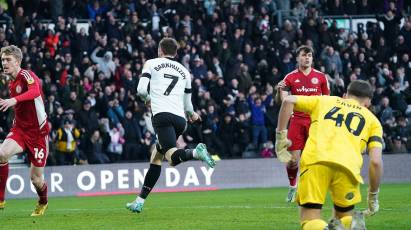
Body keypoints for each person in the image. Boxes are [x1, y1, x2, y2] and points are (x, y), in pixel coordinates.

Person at [275, 80, 383, 229]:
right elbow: (376, 162)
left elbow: (288, 100)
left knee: (310, 220)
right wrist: (373, 196)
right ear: (368, 103)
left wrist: (281, 137)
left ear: (345, 95)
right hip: (349, 168)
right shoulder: (373, 121)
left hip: (316, 161)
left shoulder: (325, 100)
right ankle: (351, 223)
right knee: (344, 217)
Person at [126, 38, 216, 213]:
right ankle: (139, 201)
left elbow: (141, 90)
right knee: (157, 157)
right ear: (175, 53)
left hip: (162, 117)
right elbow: (189, 107)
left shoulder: (151, 63)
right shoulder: (185, 71)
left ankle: (197, 152)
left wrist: (148, 100)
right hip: (181, 121)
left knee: (172, 157)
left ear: (160, 49)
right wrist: (193, 115)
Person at [275, 45, 330, 202]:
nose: (307, 58)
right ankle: (293, 187)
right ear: (297, 58)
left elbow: (327, 100)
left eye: (309, 55)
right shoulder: (290, 77)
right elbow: (283, 102)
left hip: (315, 121)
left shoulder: (321, 77)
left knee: (315, 158)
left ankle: (314, 189)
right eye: (304, 55)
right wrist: (279, 91)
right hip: (297, 121)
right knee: (293, 161)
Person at [0, 45, 50, 216]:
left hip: (38, 134)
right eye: (3, 60)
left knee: (36, 180)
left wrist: (13, 100)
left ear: (18, 61)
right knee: (1, 154)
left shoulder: (26, 75)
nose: (4, 63)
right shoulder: (10, 81)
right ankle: (0, 199)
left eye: (8, 60)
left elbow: (35, 91)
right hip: (20, 130)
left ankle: (43, 201)